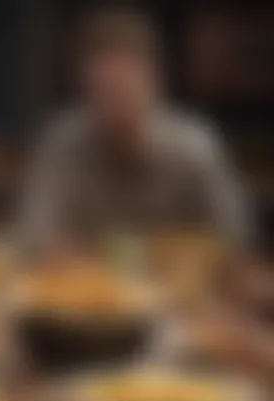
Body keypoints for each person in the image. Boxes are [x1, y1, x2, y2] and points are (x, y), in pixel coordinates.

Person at [18, 8, 250, 261]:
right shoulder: (63, 143)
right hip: (87, 290)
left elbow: (234, 236)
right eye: (103, 89)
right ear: (84, 88)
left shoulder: (193, 149)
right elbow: (33, 232)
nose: (115, 100)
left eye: (124, 85)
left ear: (154, 80)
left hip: (179, 290)